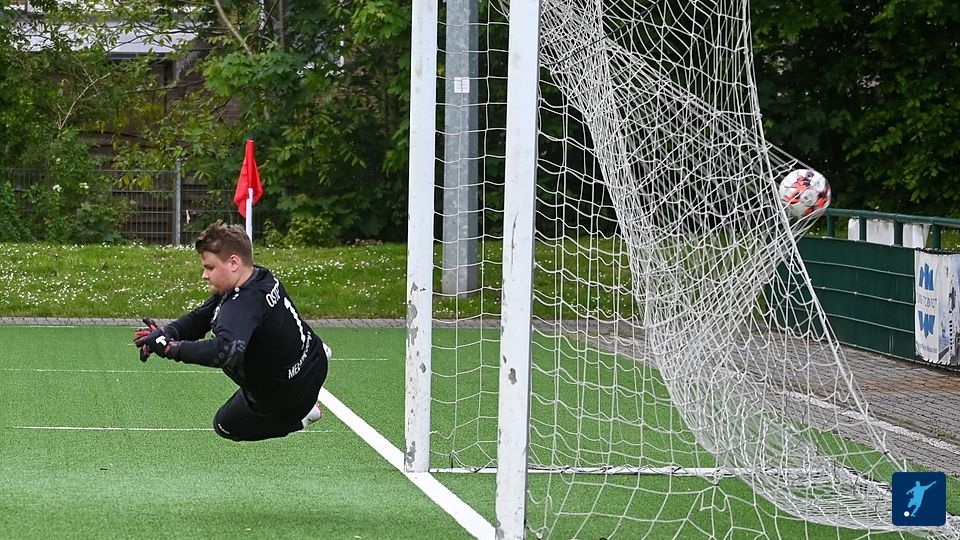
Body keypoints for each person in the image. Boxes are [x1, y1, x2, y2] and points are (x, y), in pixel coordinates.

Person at [134, 220, 331, 442]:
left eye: (210, 267)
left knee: (225, 425)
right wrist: (167, 333)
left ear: (234, 263)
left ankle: (303, 417)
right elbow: (201, 318)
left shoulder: (242, 304)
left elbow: (225, 351)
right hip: (315, 360)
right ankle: (317, 356)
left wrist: (169, 348)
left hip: (288, 398)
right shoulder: (259, 275)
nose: (204, 275)